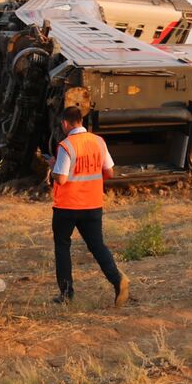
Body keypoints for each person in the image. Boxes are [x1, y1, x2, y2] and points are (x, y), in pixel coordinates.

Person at [50, 106, 129, 307]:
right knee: (97, 246)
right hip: (93, 204)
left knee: (62, 247)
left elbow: (61, 178)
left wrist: (52, 167)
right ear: (81, 121)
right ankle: (117, 279)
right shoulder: (98, 142)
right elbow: (109, 172)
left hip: (67, 207)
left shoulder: (66, 146)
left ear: (65, 123)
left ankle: (66, 294)